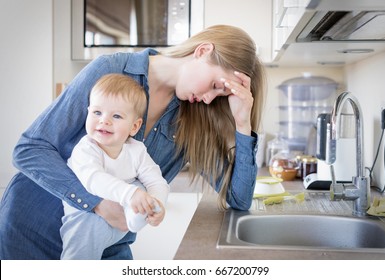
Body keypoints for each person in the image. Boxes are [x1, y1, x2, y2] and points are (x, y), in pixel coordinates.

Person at [0, 25, 266, 260]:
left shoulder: (195, 117)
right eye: (215, 85)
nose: (210, 99)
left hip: (107, 247)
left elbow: (238, 200)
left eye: (219, 95)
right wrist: (97, 203)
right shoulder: (111, 70)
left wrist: (243, 125)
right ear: (203, 50)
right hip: (31, 231)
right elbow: (29, 150)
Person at [60, 73, 169, 259]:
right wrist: (131, 195)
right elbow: (93, 180)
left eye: (116, 116)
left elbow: (157, 181)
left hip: (120, 219)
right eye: (97, 113)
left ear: (134, 127)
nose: (104, 121)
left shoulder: (136, 150)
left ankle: (136, 215)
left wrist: (157, 204)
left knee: (141, 186)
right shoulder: (86, 149)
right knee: (79, 258)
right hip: (86, 216)